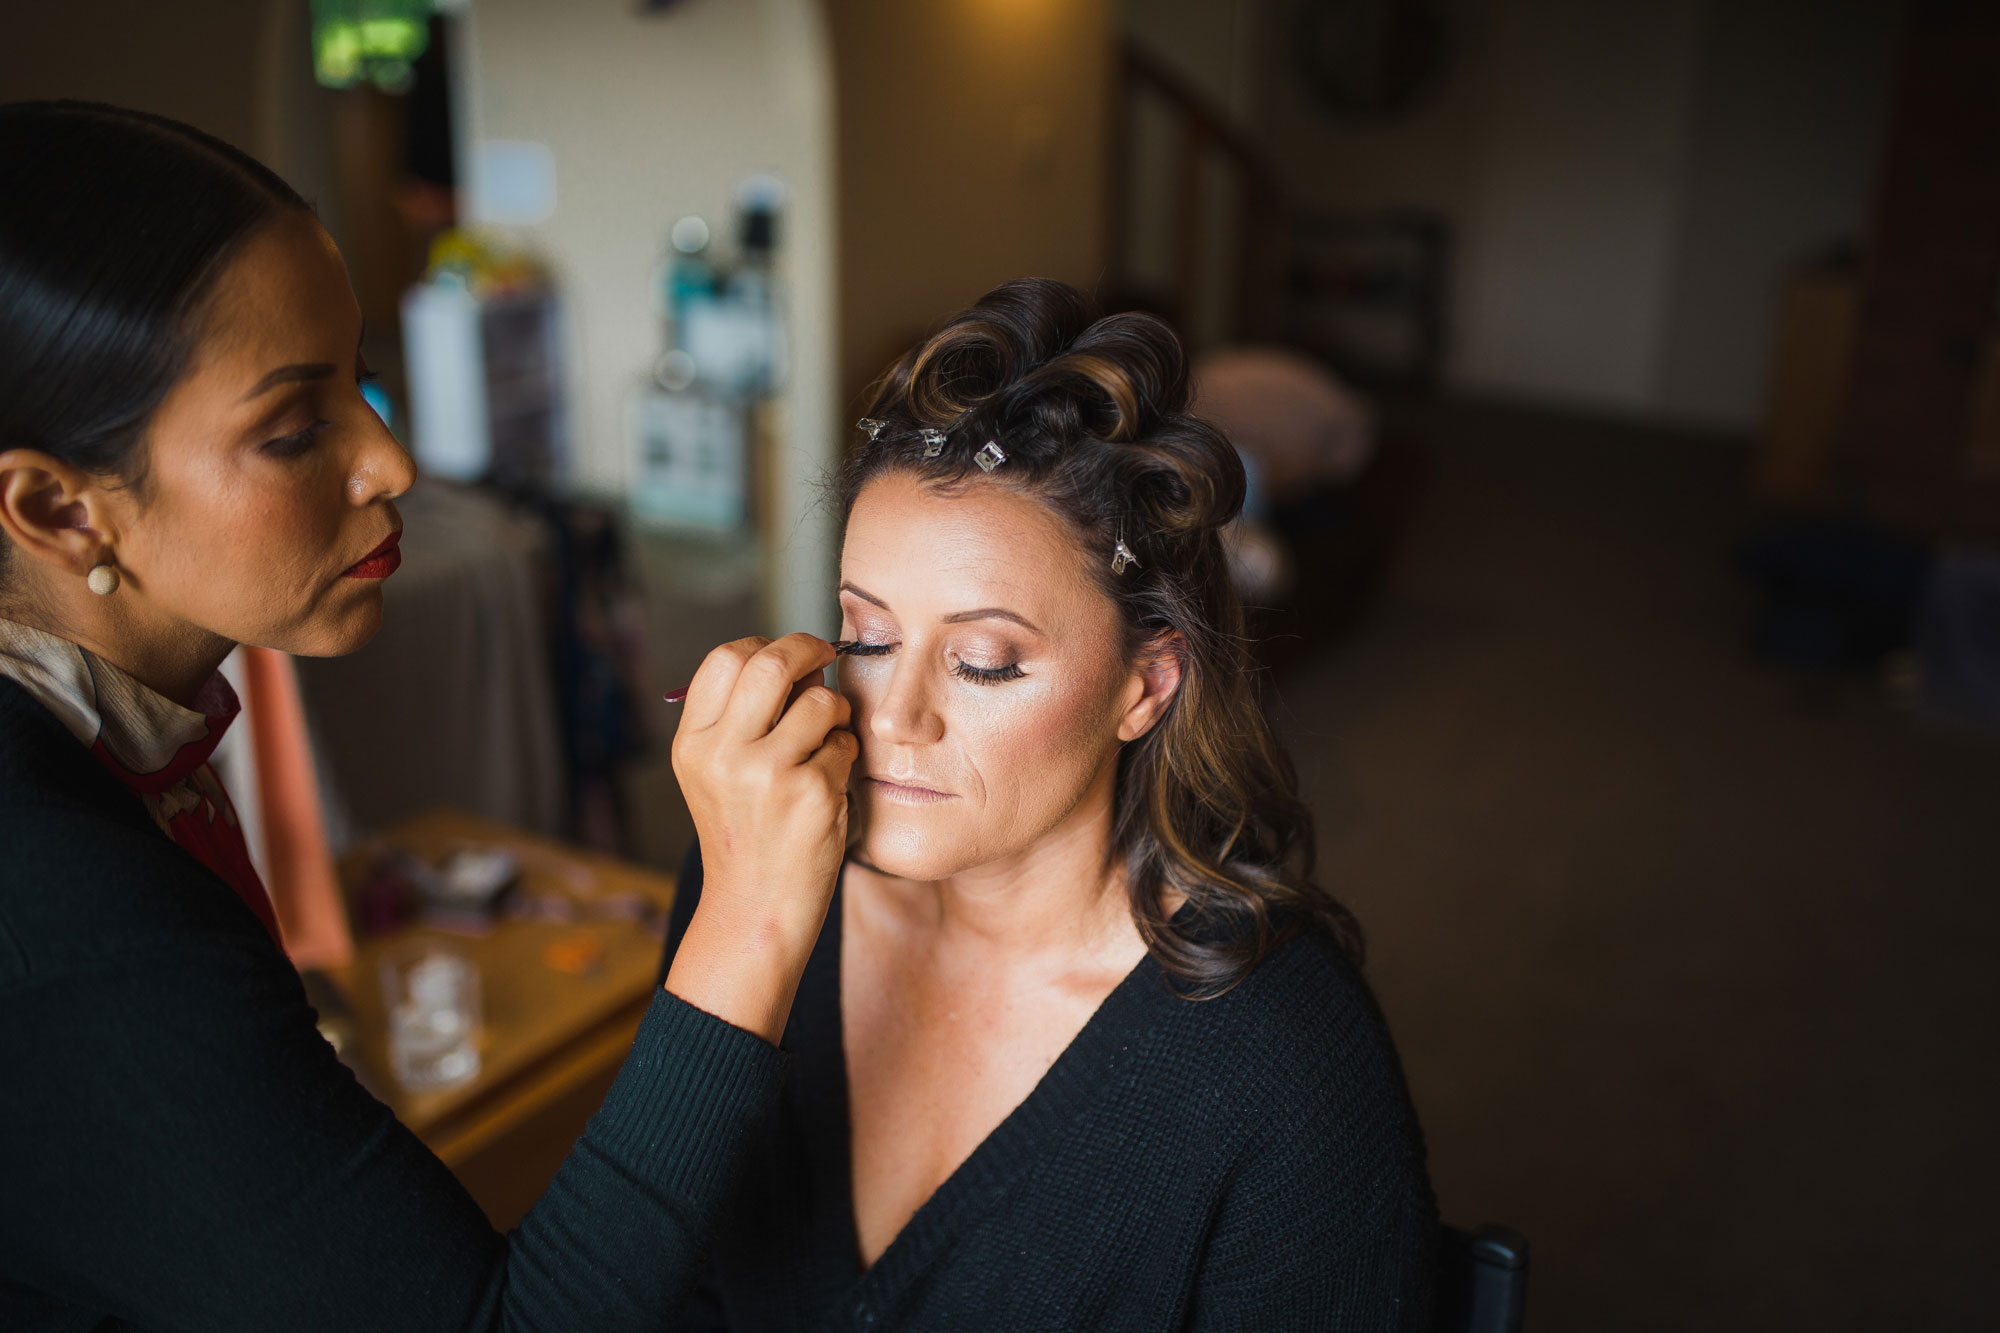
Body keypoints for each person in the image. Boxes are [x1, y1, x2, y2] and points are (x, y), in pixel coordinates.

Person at [0, 101, 856, 1329]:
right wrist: (754, 910)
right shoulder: (65, 913)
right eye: (295, 429)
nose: (391, 463)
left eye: (363, 382)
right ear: (59, 508)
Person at [661, 279, 1439, 1329]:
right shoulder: (749, 893)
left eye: (982, 661)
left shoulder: (1279, 1064)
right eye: (869, 636)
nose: (895, 715)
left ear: (1143, 686)